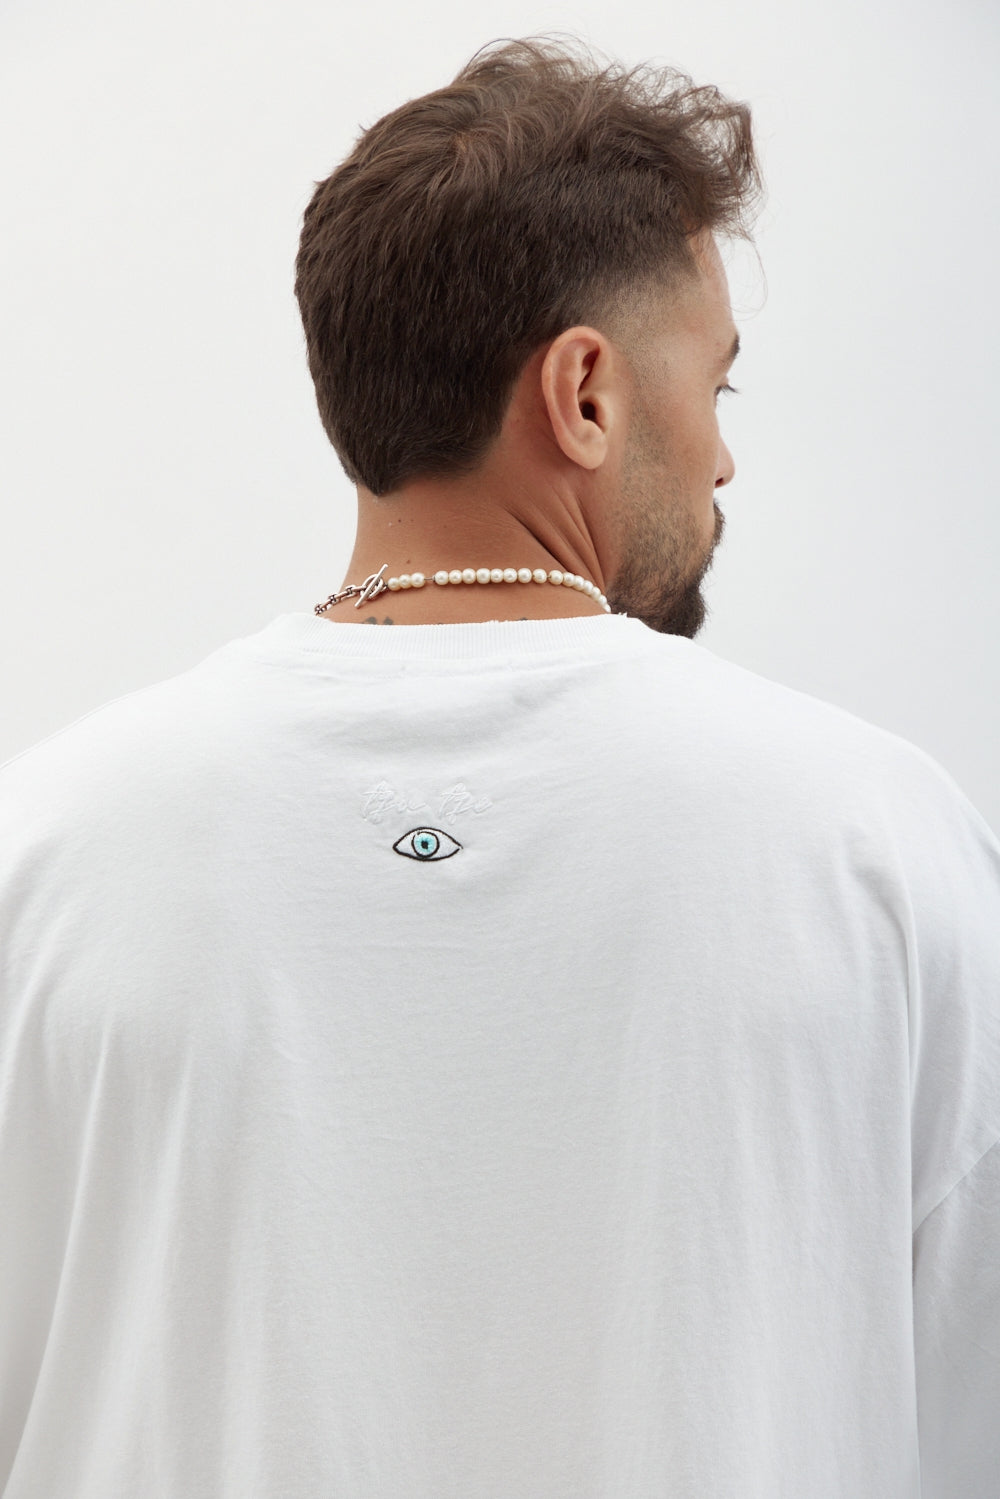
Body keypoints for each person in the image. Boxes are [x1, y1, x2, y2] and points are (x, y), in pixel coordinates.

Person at [0, 34, 997, 1499]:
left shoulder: (50, 846)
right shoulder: (878, 844)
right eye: (718, 388)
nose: (723, 460)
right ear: (585, 392)